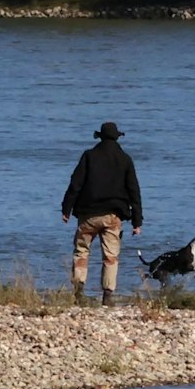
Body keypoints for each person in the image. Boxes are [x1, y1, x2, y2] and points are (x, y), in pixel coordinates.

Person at [61, 122, 142, 304]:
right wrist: (137, 221)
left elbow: (75, 184)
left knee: (81, 251)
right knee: (110, 256)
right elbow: (134, 191)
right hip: (113, 216)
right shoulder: (125, 159)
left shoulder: (89, 156)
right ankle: (107, 296)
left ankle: (78, 293)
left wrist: (66, 208)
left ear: (100, 137)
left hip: (87, 215)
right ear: (117, 137)